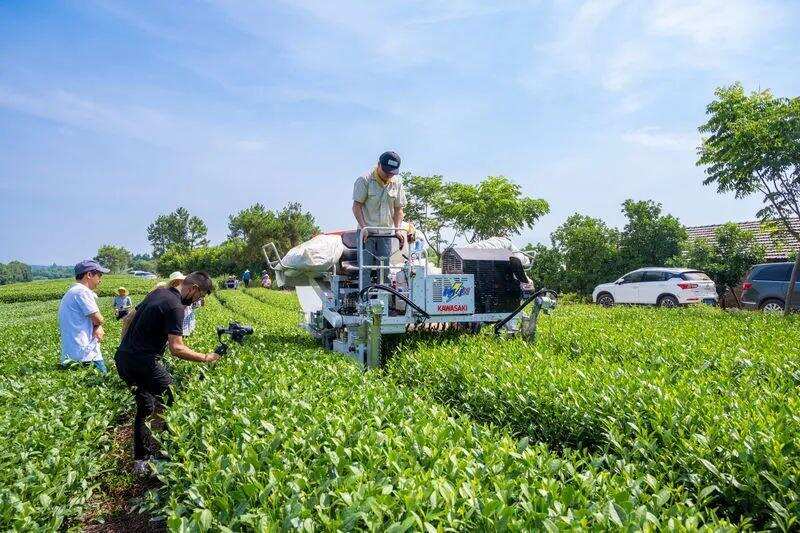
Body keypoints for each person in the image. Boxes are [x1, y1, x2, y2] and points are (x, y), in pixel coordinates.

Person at [114, 271, 219, 474]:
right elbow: (177, 348)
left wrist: (127, 349)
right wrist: (206, 357)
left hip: (124, 358)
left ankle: (141, 460)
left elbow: (127, 320)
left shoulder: (158, 293)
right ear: (193, 289)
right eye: (200, 297)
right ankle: (171, 453)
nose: (198, 301)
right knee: (174, 399)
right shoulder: (176, 306)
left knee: (146, 404)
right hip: (144, 362)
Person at [352, 150, 407, 288]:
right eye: (386, 171)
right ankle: (363, 301)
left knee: (384, 271)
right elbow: (356, 207)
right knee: (365, 269)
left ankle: (384, 301)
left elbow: (399, 209)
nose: (389, 175)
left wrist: (397, 229)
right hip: (367, 232)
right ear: (379, 165)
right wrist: (364, 227)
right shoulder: (364, 180)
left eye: (392, 173)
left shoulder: (397, 182)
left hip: (386, 234)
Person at [58, 260, 110, 373]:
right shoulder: (82, 292)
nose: (100, 280)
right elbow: (98, 318)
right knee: (101, 384)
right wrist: (99, 325)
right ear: (89, 275)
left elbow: (92, 320)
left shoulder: (71, 292)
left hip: (71, 354)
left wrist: (97, 326)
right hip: (86, 355)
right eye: (99, 275)